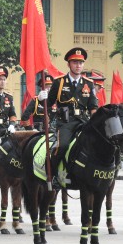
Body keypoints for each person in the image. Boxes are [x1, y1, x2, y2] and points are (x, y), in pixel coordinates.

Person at [45, 48, 99, 183]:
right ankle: (53, 173)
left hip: (84, 122)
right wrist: (42, 99)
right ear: (69, 64)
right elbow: (49, 104)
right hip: (66, 123)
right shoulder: (59, 82)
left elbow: (93, 108)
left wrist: (97, 125)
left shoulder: (89, 83)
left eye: (81, 63)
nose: (78, 65)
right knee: (62, 146)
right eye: (75, 62)